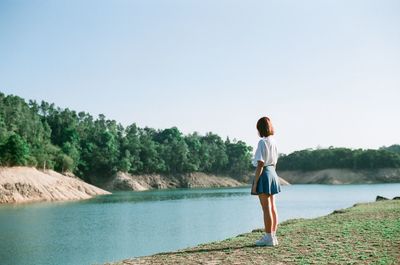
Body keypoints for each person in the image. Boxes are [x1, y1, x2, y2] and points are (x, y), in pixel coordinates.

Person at [251, 116, 281, 246]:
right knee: (272, 207)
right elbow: (274, 161)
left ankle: (268, 238)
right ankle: (272, 236)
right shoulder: (273, 141)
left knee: (266, 208)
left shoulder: (262, 142)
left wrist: (255, 182)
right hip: (273, 172)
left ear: (260, 129)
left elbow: (260, 164)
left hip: (264, 173)